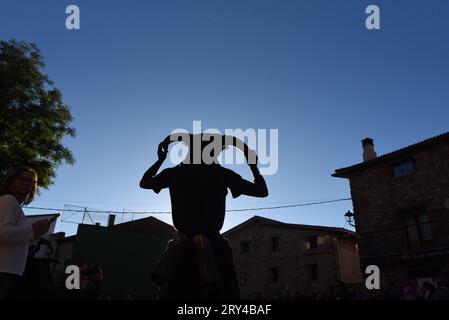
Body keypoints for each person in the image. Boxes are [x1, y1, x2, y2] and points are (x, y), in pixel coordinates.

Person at [140, 134, 268, 300]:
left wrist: (160, 160)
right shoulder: (222, 174)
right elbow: (261, 191)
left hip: (180, 245)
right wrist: (253, 166)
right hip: (214, 242)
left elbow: (145, 183)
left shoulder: (175, 173)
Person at [0, 167, 52, 300]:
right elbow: (3, 233)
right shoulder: (9, 200)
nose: (27, 183)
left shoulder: (15, 206)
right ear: (12, 182)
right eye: (23, 179)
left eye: (32, 182)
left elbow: (22, 242)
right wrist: (33, 230)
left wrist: (37, 233)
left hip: (10, 272)